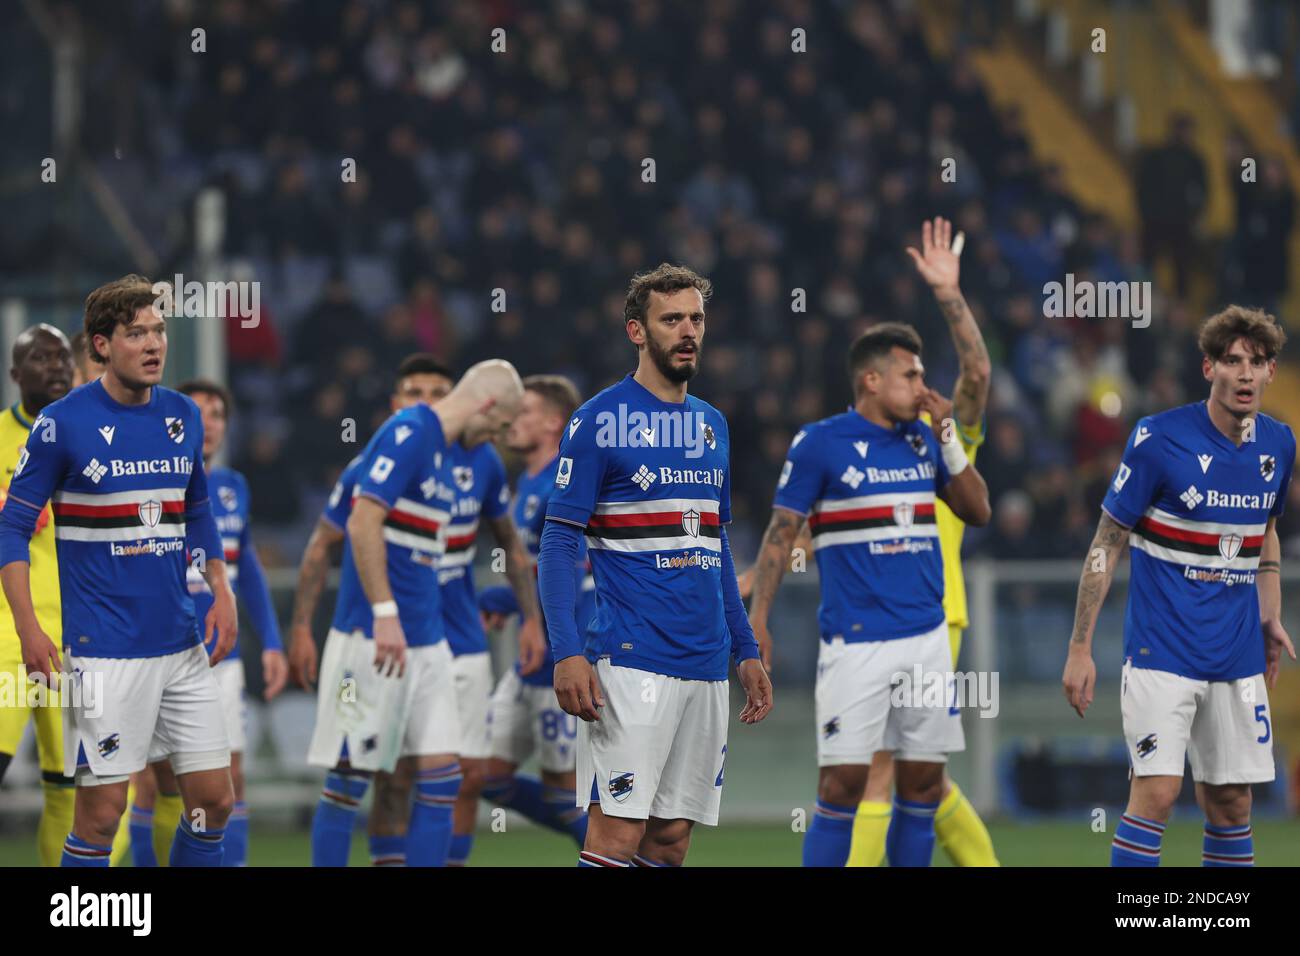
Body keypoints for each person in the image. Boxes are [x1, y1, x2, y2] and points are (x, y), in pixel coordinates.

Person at [539, 263, 773, 867]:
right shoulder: (597, 421)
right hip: (630, 663)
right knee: (616, 835)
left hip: (704, 664)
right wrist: (565, 652)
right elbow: (560, 544)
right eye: (672, 319)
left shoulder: (713, 425)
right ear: (636, 332)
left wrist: (744, 649)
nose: (688, 330)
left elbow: (715, 545)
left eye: (695, 318)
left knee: (670, 841)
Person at [0, 274, 237, 866]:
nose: (154, 344)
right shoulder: (62, 424)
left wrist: (220, 585)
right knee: (102, 816)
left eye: (159, 331)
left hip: (180, 644)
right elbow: (10, 529)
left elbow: (199, 509)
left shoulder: (182, 414)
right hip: (104, 652)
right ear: (101, 346)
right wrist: (29, 628)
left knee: (214, 803)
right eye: (137, 333)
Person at [748, 314, 991, 867]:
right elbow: (781, 532)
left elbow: (978, 511)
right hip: (856, 645)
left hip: (927, 638)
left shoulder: (924, 441)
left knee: (925, 786)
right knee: (842, 785)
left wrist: (949, 437)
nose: (922, 386)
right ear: (872, 380)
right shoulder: (820, 443)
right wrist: (757, 622)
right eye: (910, 375)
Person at [1063, 306, 1295, 866]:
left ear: (1270, 373)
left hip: (1236, 654)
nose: (1245, 374)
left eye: (1257, 362)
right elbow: (1106, 541)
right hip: (1161, 650)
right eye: (1233, 361)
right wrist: (1079, 647)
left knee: (1233, 803)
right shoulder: (1158, 439)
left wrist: (1269, 616)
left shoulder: (1279, 445)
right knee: (1159, 793)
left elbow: (1265, 531)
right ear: (1208, 367)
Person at [304, 358, 524, 867]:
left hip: (428, 641)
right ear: (487, 404)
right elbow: (362, 521)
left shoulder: (453, 453)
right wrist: (384, 612)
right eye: (497, 424)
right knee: (349, 779)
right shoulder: (409, 431)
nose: (496, 436)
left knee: (443, 777)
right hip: (369, 638)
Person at [481, 375, 593, 850]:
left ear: (553, 422)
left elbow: (562, 566)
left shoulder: (564, 485)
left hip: (564, 655)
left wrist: (487, 599)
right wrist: (507, 602)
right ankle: (606, 843)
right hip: (530, 656)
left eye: (523, 412)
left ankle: (615, 853)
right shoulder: (523, 484)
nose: (510, 421)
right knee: (484, 776)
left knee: (564, 791)